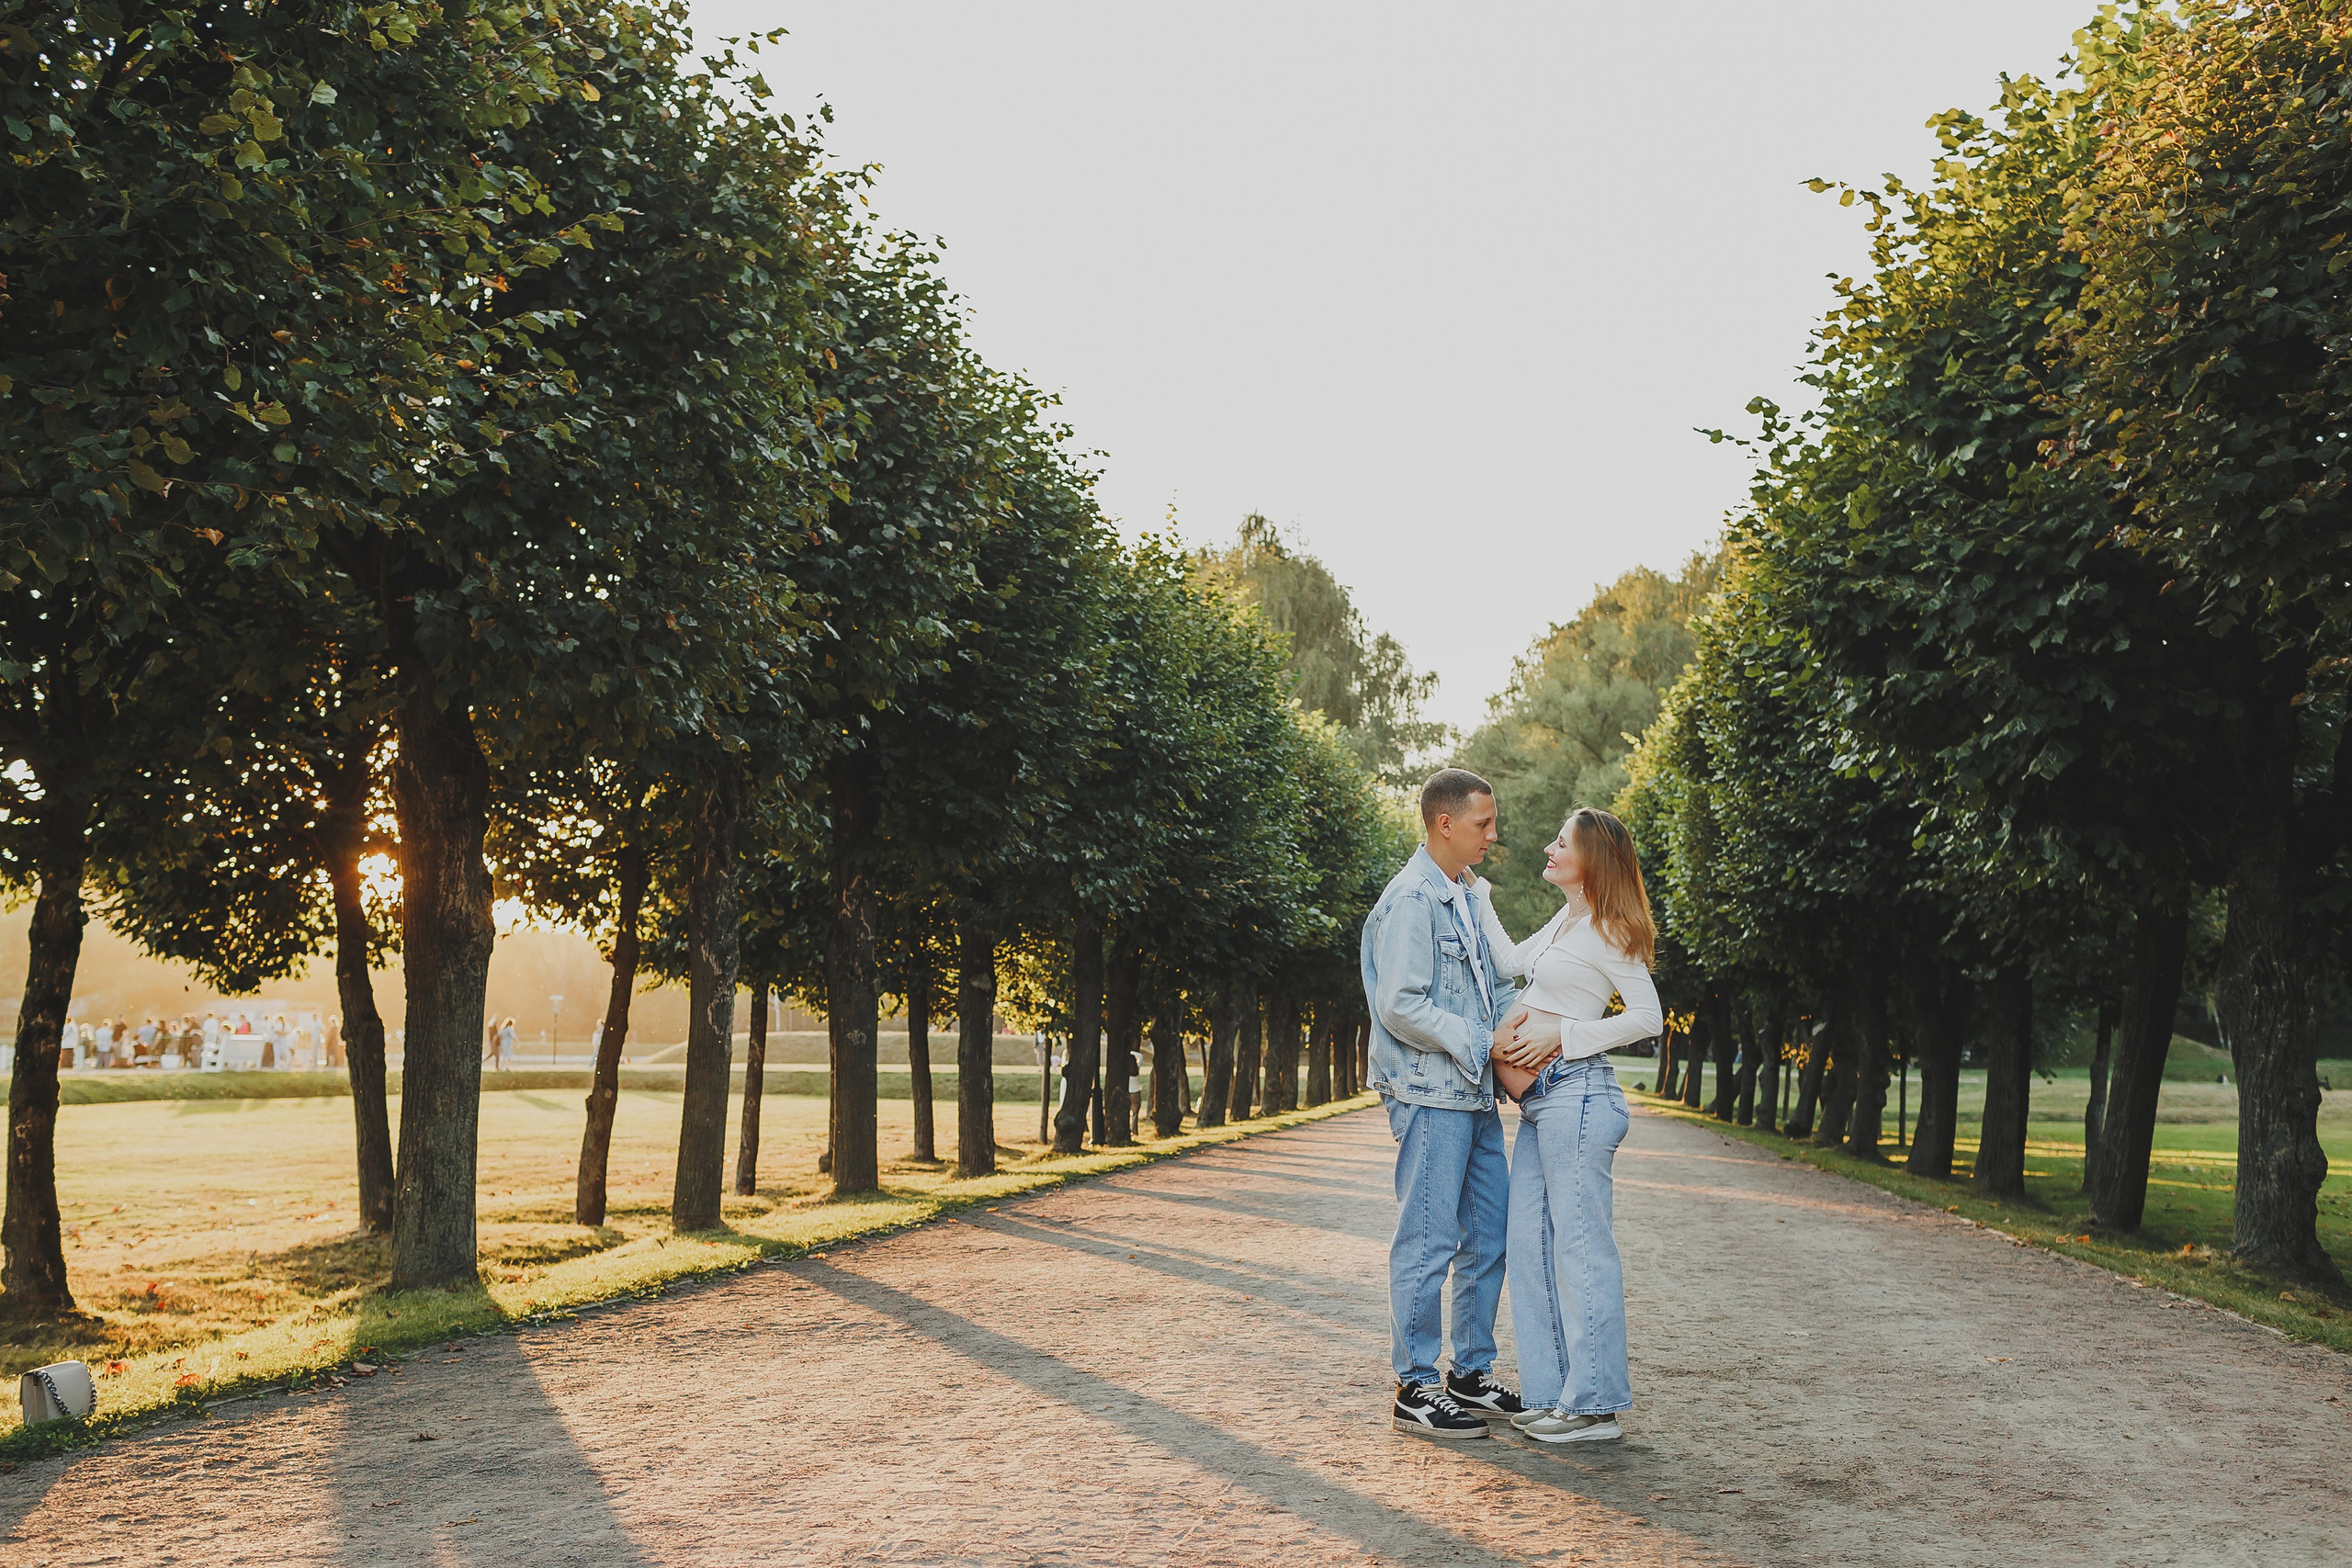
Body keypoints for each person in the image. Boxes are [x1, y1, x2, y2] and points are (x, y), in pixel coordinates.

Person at [1478, 807, 1662, 1445]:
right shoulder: (1567, 918)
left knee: (1580, 1250)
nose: (1551, 848)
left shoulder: (1611, 927)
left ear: (1594, 859)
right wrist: (1475, 888)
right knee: (1529, 1246)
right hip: (1542, 1105)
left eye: (1564, 842)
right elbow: (1507, 960)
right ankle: (1557, 1394)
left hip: (1579, 1097)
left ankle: (1595, 1406)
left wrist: (1567, 1033)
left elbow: (1648, 1017)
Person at [1361, 768, 1523, 1440]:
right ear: (1445, 823)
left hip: (1474, 1093)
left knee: (1489, 1234)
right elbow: (1400, 1004)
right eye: (1484, 822)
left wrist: (1515, 1041)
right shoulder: (1411, 900)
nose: (1494, 834)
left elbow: (1492, 983)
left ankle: (1470, 1371)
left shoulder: (1463, 895)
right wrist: (1484, 1042)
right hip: (1431, 1094)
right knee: (1427, 1241)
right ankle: (1415, 1381)